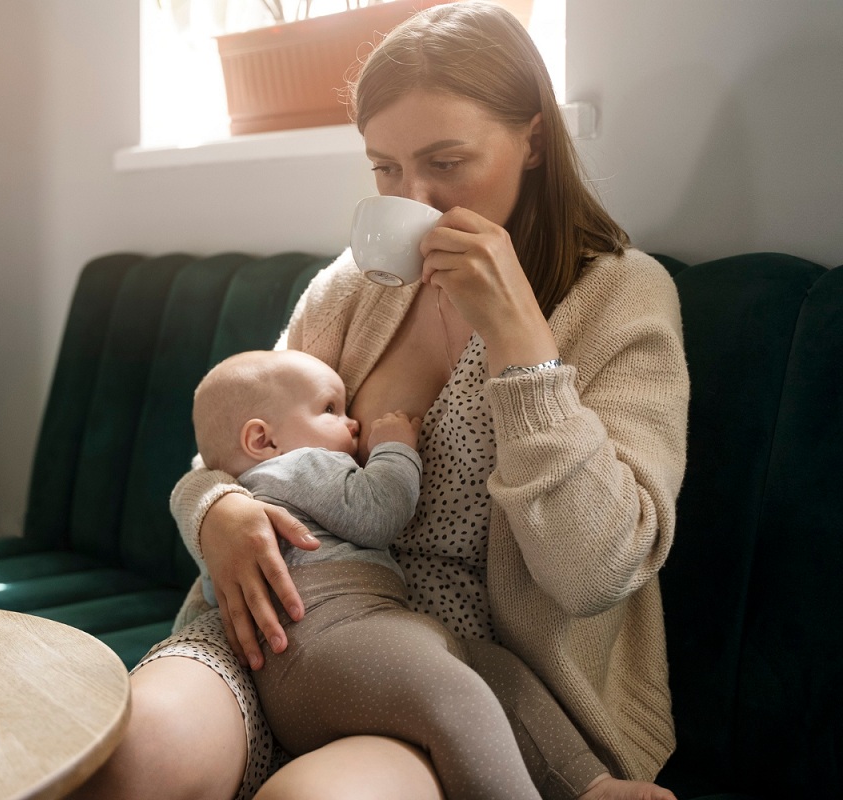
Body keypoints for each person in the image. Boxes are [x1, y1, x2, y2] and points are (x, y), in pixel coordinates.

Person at [73, 2, 689, 800]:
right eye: (386, 169)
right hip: (270, 633)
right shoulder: (353, 287)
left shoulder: (621, 298)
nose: (418, 199)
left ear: (534, 138)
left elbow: (597, 571)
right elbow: (238, 445)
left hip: (455, 687)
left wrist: (521, 350)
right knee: (126, 761)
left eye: (447, 161)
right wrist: (212, 511)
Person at [192, 347, 544, 800]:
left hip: (287, 677)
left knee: (495, 669)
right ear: (263, 441)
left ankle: (590, 783)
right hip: (333, 637)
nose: (352, 421)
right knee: (463, 696)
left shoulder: (235, 514)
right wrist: (394, 448)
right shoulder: (303, 465)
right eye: (330, 409)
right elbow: (380, 513)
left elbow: (211, 595)